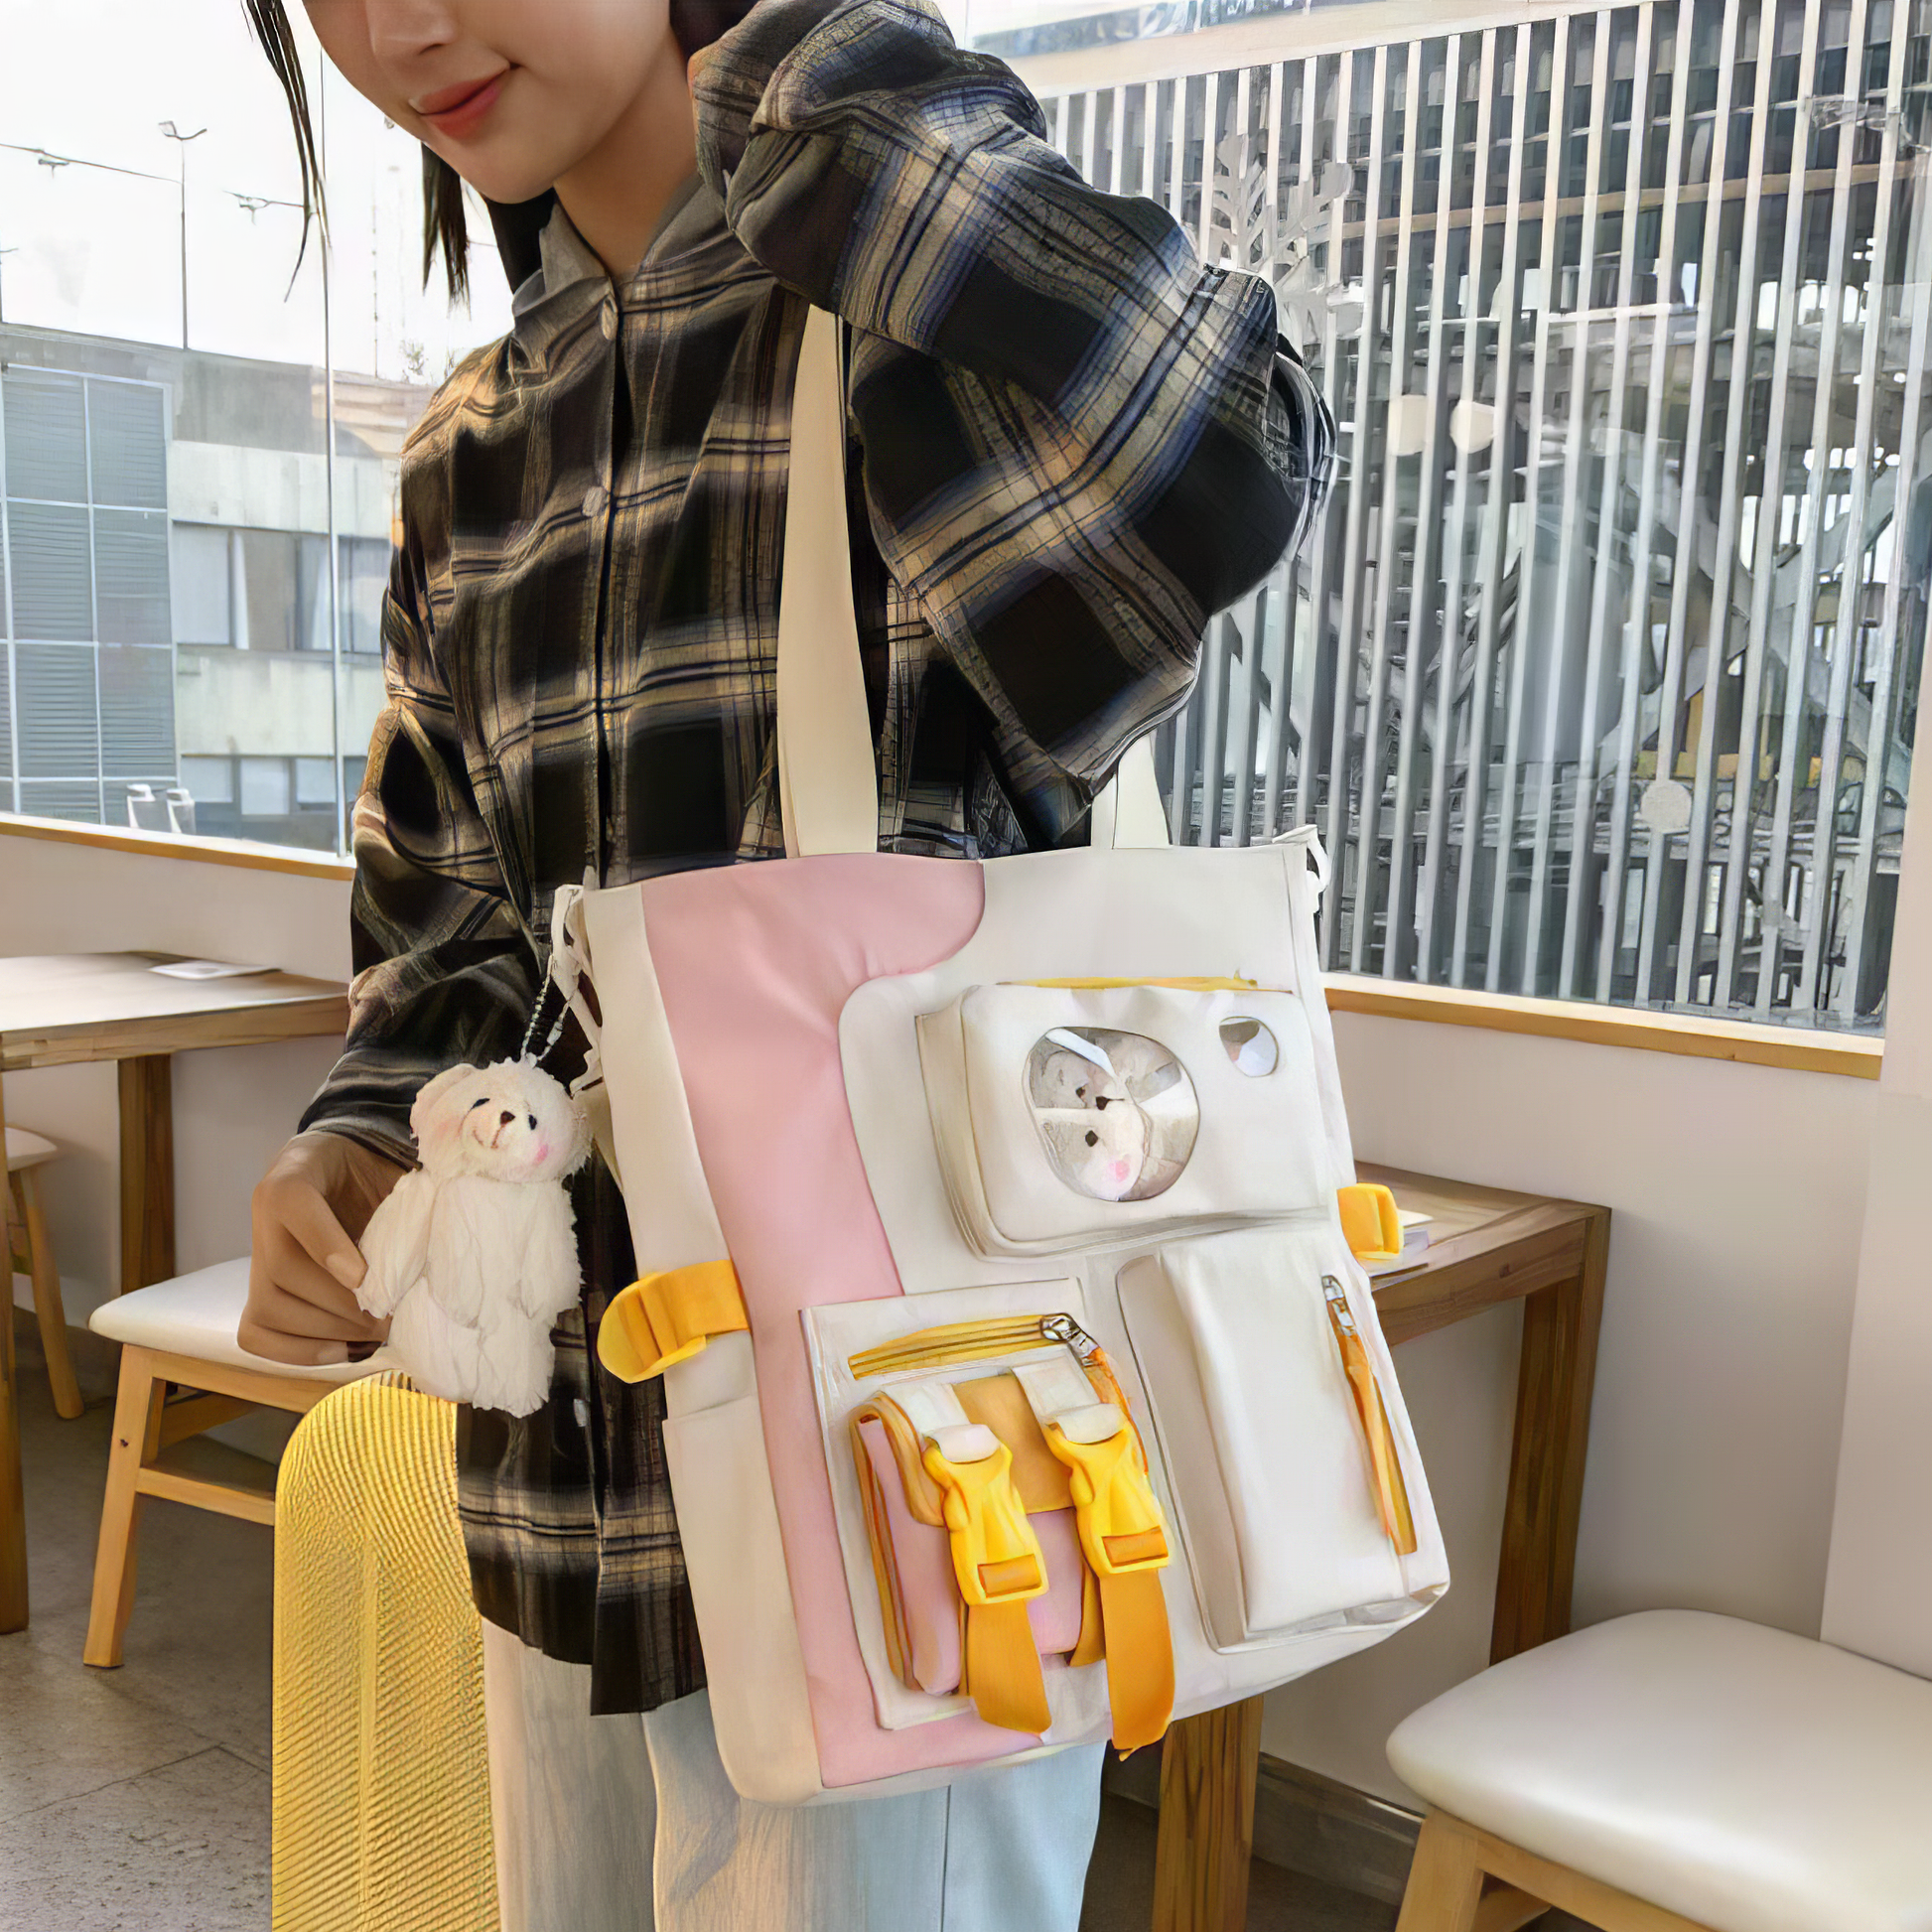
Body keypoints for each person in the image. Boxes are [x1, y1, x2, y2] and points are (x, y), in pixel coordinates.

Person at [236, 1, 1333, 1925]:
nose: (401, 25)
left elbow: (1217, 451)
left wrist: (782, 66)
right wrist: (354, 1142)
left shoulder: (895, 335)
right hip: (565, 1485)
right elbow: (445, 930)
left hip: (920, 1500)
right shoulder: (467, 459)